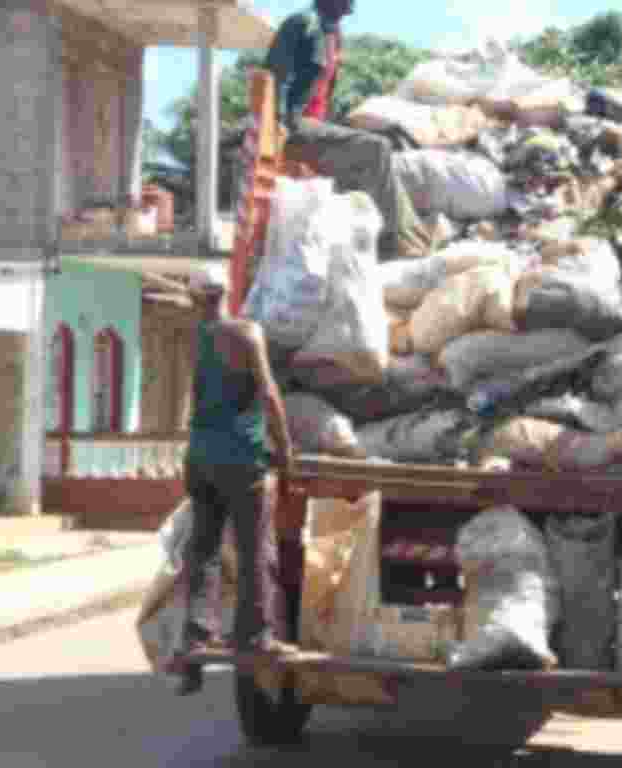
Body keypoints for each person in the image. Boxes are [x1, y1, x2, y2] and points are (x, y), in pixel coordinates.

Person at [173, 263, 298, 696]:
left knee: (203, 549)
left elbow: (195, 394)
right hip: (243, 460)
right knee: (254, 548)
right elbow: (269, 393)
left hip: (201, 458)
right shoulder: (246, 335)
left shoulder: (197, 338)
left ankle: (196, 634)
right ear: (227, 292)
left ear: (194, 298)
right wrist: (286, 453)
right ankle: (254, 635)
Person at [265, 0, 432, 260]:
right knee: (377, 148)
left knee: (378, 159)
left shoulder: (334, 35)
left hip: (315, 127)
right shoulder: (301, 24)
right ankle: (391, 247)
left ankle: (406, 241)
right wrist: (277, 125)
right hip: (294, 125)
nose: (351, 6)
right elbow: (274, 79)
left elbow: (324, 96)